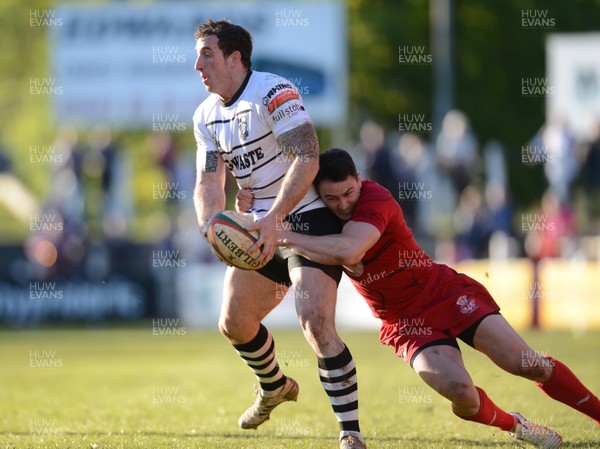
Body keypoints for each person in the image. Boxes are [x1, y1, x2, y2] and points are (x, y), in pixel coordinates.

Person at [244, 148, 600, 448]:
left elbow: (350, 250)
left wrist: (284, 236)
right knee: (460, 392)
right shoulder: (317, 218)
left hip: (441, 291)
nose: (342, 204)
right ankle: (516, 425)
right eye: (332, 198)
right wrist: (249, 205)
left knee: (527, 363)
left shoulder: (375, 197)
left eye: (348, 193)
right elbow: (268, 207)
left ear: (359, 178)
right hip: (405, 325)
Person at [192, 20, 366, 449]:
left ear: (235, 58)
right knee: (233, 323)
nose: (198, 65)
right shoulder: (205, 116)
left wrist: (273, 219)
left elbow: (307, 158)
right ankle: (274, 386)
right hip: (259, 226)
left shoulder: (273, 91)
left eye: (207, 54)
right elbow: (209, 182)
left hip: (306, 218)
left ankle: (350, 434)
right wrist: (211, 225)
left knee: (315, 322)